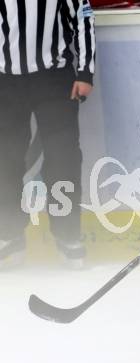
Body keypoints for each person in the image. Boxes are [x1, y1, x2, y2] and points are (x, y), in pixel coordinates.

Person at [0, 0, 95, 268]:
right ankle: (9, 236)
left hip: (53, 79)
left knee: (63, 159)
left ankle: (68, 235)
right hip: (4, 82)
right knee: (4, 161)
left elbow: (83, 18)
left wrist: (86, 71)